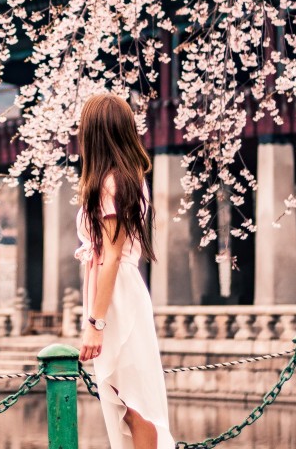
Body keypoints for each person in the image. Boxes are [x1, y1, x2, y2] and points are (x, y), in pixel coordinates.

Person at [74, 92, 175, 449]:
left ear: (96, 134)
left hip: (117, 297)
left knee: (134, 403)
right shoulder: (127, 178)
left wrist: (95, 325)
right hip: (121, 291)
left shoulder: (110, 183)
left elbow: (112, 255)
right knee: (129, 399)